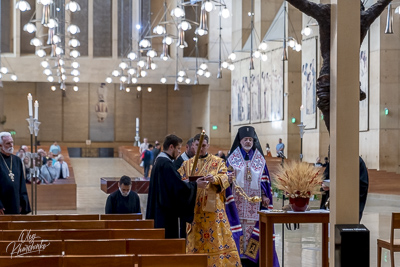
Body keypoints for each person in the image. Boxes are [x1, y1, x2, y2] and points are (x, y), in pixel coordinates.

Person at [178, 133, 241, 267]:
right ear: (193, 146)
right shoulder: (186, 164)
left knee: (216, 239)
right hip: (194, 210)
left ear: (208, 146)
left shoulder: (218, 162)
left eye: (203, 145)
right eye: (197, 145)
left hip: (214, 212)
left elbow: (225, 177)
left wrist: (215, 179)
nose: (200, 148)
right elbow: (180, 183)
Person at [226, 126, 279, 266]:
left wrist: (265, 196)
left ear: (253, 140)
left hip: (254, 206)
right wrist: (228, 178)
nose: (248, 142)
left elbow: (264, 181)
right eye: (245, 139)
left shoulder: (260, 160)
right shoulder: (232, 159)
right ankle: (237, 260)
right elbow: (225, 179)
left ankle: (253, 261)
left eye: (250, 139)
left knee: (253, 233)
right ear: (240, 141)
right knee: (239, 230)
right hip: (236, 205)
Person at [146, 134, 208, 239]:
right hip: (165, 215)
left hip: (158, 209)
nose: (180, 152)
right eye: (178, 148)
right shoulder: (166, 164)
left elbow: (173, 183)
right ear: (171, 147)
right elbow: (177, 189)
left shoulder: (160, 161)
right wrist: (196, 184)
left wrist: (186, 182)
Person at [320, 157, 369, 222]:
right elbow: (325, 178)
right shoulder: (334, 160)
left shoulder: (356, 160)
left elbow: (362, 185)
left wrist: (337, 187)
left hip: (349, 206)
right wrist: (324, 185)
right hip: (332, 205)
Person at [0, 132, 31, 215]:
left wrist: (22, 203)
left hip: (16, 203)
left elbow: (22, 183)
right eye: (8, 143)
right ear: (0, 145)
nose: (11, 145)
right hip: (2, 205)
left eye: (12, 142)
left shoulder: (17, 160)